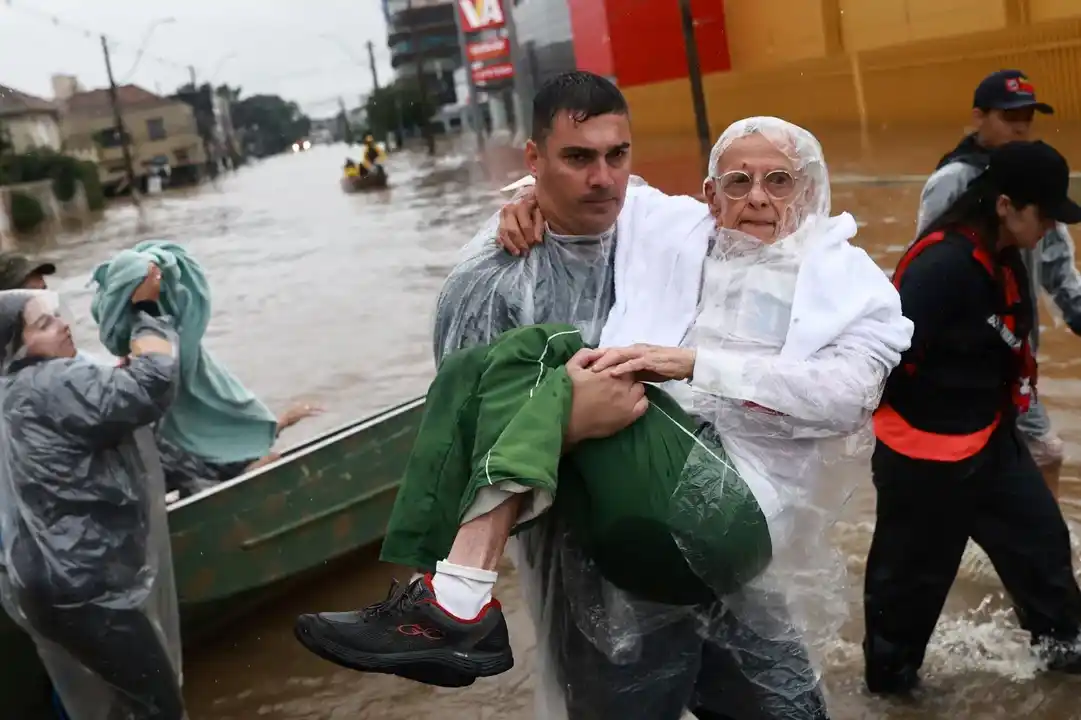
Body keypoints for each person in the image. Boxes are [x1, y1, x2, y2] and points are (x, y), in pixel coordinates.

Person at [297, 72, 912, 719]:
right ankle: (452, 594)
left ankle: (453, 597)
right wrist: (569, 423)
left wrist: (689, 364)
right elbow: (469, 432)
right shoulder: (557, 261)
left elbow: (850, 391)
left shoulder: (845, 283)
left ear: (810, 189)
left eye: (779, 181)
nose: (602, 178)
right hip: (606, 563)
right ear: (711, 193)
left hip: (724, 538)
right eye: (737, 182)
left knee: (781, 707)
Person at [863, 140, 1081, 696]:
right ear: (1006, 204)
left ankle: (1065, 663)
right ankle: (890, 695)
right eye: (1047, 215)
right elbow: (882, 359)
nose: (1053, 227)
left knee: (1043, 549)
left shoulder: (1003, 257)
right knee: (908, 593)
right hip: (926, 455)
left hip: (989, 439)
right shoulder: (942, 265)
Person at [0, 265, 187, 719]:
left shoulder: (16, 388)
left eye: (56, 315)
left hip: (43, 582)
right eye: (43, 324)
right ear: (13, 346)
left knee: (121, 704)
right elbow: (154, 383)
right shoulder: (51, 382)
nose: (63, 325)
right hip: (85, 586)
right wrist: (146, 311)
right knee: (158, 709)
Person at [917, 69, 1081, 499]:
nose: (1021, 126)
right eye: (1010, 117)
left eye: (1028, 116)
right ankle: (1044, 544)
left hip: (1016, 351)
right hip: (972, 354)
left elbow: (1057, 258)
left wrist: (1077, 311)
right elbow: (928, 263)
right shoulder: (954, 181)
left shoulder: (1034, 174)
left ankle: (1034, 542)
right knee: (1034, 451)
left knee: (1032, 453)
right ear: (978, 117)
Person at [91, 241, 320, 498]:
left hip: (200, 464)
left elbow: (221, 437)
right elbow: (195, 481)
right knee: (268, 468)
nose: (158, 275)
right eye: (150, 274)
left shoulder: (177, 348)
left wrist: (282, 422)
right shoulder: (147, 360)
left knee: (270, 463)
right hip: (191, 477)